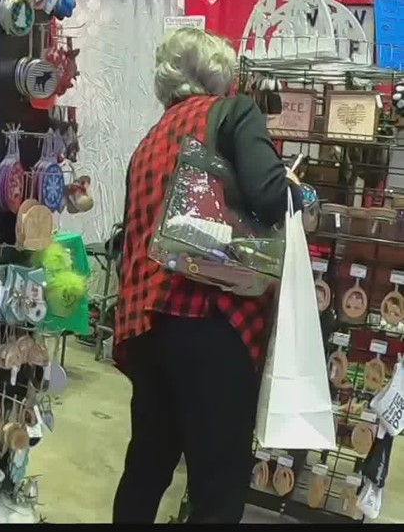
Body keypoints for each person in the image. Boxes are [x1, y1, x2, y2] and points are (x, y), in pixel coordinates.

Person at [111, 28, 301, 524]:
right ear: (221, 74)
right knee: (217, 485)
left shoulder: (150, 140)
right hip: (213, 319)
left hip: (148, 325)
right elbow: (267, 195)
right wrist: (298, 193)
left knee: (146, 466)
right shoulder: (233, 112)